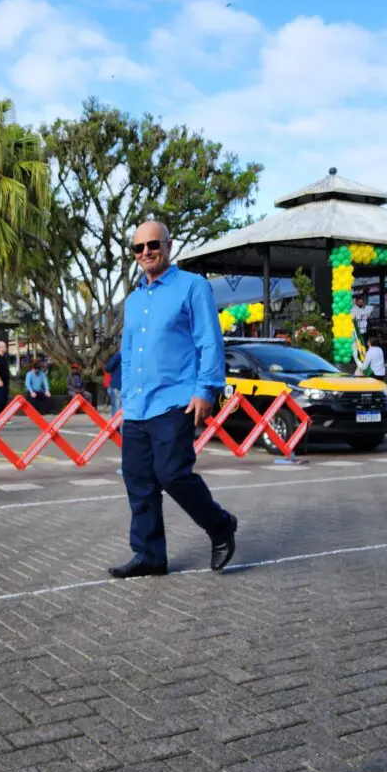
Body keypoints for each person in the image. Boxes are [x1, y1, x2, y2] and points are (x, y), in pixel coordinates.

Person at [109, 220, 237, 580]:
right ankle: (149, 555)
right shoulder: (133, 301)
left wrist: (206, 389)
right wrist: (126, 398)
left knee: (172, 474)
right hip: (137, 406)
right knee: (138, 479)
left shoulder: (193, 287)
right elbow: (129, 352)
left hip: (176, 400)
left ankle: (221, 525)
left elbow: (209, 340)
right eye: (138, 248)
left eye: (153, 244)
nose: (146, 252)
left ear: (168, 245)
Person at [105, 350, 123, 416]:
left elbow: (108, 368)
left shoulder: (120, 354)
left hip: (117, 385)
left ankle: (115, 426)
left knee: (116, 409)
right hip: (125, 386)